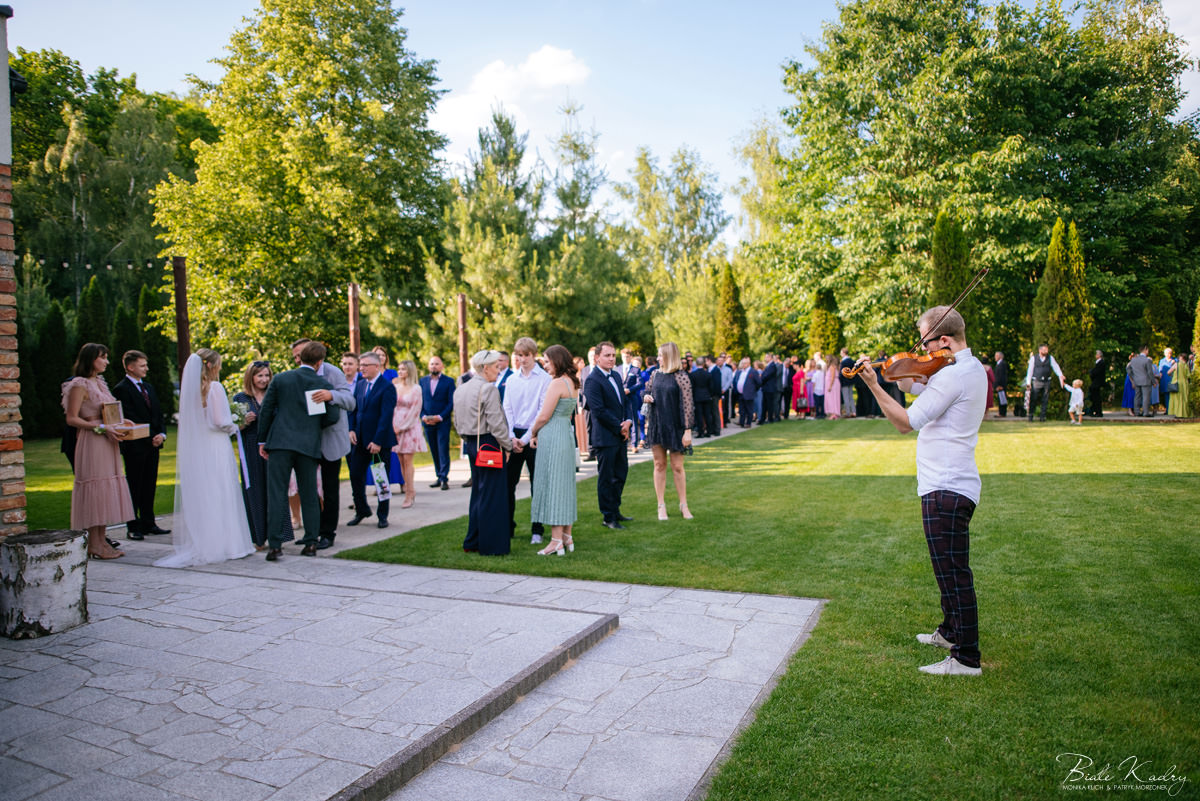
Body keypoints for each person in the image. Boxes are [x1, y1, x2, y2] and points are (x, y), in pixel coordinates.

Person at [856, 306, 986, 676]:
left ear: (944, 340)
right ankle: (949, 632)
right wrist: (901, 371)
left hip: (945, 485)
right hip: (953, 483)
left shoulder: (951, 377)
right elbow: (914, 385)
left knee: (953, 573)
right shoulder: (968, 368)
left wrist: (874, 385)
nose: (923, 349)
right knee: (946, 569)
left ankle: (966, 658)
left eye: (925, 342)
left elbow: (905, 422)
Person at [155, 348, 256, 567]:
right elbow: (220, 421)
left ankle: (207, 543)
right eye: (218, 364)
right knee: (222, 490)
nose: (219, 368)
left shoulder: (191, 391)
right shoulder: (215, 387)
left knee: (206, 493)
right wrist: (238, 423)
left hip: (200, 446)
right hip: (216, 444)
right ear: (210, 365)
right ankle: (229, 545)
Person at [257, 341, 340, 560]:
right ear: (319, 362)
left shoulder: (281, 379)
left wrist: (262, 440)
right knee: (309, 493)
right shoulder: (321, 383)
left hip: (280, 443)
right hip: (308, 445)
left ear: (300, 358)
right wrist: (313, 426)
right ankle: (311, 543)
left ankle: (275, 546)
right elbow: (333, 417)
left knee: (276, 493)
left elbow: (266, 410)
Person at [62, 343, 135, 560]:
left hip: (108, 439)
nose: (107, 362)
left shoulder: (100, 382)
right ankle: (93, 543)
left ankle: (101, 541)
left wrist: (122, 421)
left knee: (105, 489)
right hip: (92, 440)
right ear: (91, 359)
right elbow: (72, 418)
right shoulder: (79, 384)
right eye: (102, 357)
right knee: (96, 488)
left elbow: (107, 411)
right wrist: (100, 428)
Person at [292, 338, 357, 550]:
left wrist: (331, 395)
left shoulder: (333, 372)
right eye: (296, 357)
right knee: (308, 489)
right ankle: (312, 532)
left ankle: (328, 533)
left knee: (329, 489)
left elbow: (350, 401)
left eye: (300, 355)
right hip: (306, 441)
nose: (298, 360)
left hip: (330, 439)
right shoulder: (296, 375)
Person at [453, 349, 513, 555]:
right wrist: (507, 446)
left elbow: (457, 422)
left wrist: (467, 440)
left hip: (471, 443)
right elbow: (496, 423)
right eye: (496, 366)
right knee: (493, 495)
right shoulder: (488, 389)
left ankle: (473, 540)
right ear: (485, 368)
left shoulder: (461, 388)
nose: (499, 370)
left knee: (478, 493)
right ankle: (492, 546)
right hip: (489, 444)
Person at [233, 361, 293, 549]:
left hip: (273, 446)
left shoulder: (275, 395)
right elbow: (232, 428)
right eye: (260, 376)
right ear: (251, 377)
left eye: (267, 375)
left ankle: (279, 535)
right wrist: (243, 422)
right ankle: (258, 537)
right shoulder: (240, 398)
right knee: (255, 490)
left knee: (276, 490)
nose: (264, 379)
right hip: (250, 448)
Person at [111, 349, 169, 540]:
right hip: (135, 446)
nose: (146, 368)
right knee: (134, 485)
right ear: (130, 367)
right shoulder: (121, 389)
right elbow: (129, 417)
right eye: (142, 365)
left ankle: (148, 522)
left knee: (149, 484)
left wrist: (161, 434)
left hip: (153, 445)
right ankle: (133, 525)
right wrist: (151, 436)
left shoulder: (149, 388)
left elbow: (157, 414)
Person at [528, 345, 580, 556]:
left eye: (547, 361)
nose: (545, 365)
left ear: (557, 361)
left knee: (553, 486)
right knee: (565, 485)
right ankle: (567, 536)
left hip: (552, 435)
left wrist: (533, 433)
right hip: (565, 433)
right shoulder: (573, 382)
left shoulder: (557, 383)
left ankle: (555, 541)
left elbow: (544, 416)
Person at [502, 337, 552, 544]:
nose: (522, 359)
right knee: (507, 484)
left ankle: (537, 530)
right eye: (519, 355)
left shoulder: (544, 379)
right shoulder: (512, 379)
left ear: (534, 355)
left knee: (537, 485)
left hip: (535, 434)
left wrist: (525, 438)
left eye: (526, 355)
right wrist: (511, 436)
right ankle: (507, 527)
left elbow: (542, 411)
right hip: (513, 434)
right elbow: (507, 408)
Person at [643, 342, 695, 521]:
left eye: (660, 355)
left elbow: (688, 405)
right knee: (659, 465)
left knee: (677, 467)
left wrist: (687, 430)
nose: (657, 358)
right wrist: (646, 396)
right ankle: (661, 505)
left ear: (669, 356)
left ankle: (683, 505)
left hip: (676, 427)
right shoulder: (655, 374)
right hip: (657, 425)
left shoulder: (681, 376)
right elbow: (647, 390)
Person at [584, 341, 633, 529]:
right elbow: (598, 411)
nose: (612, 359)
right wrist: (620, 427)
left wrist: (627, 421)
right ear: (597, 358)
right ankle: (608, 517)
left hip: (620, 435)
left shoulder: (616, 375)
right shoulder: (592, 380)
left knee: (620, 474)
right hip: (605, 437)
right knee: (606, 478)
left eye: (613, 355)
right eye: (607, 355)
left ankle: (615, 510)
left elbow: (624, 403)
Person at [348, 351, 398, 529]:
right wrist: (351, 429)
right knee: (355, 475)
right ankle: (361, 510)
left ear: (377, 366)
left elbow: (386, 417)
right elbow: (354, 410)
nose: (361, 369)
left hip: (379, 441)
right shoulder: (361, 384)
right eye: (360, 365)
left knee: (381, 479)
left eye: (365, 365)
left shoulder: (387, 387)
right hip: (360, 439)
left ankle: (382, 515)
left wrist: (377, 441)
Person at [392, 359, 425, 509]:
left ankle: (409, 493)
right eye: (399, 369)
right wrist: (393, 425)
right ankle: (407, 487)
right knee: (400, 460)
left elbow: (415, 411)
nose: (400, 372)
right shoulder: (396, 387)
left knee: (407, 460)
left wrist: (402, 427)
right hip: (395, 424)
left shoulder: (416, 389)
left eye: (403, 369)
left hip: (409, 427)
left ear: (410, 371)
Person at [420, 355, 455, 490]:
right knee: (434, 449)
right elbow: (419, 401)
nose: (434, 366)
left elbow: (451, 402)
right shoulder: (422, 381)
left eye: (436, 364)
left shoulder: (449, 381)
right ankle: (438, 476)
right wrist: (423, 416)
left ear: (442, 366)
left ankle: (444, 478)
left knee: (442, 449)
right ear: (428, 366)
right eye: (432, 364)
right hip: (427, 422)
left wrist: (440, 417)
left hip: (442, 422)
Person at [1023, 343, 1066, 421]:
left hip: (1047, 381)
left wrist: (1060, 375)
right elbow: (1030, 370)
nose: (1046, 351)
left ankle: (1042, 417)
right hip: (1036, 381)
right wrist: (1028, 382)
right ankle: (1031, 415)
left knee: (1045, 399)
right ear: (1040, 350)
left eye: (1046, 350)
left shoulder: (1050, 358)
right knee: (1034, 399)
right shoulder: (1034, 358)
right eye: (1044, 350)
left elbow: (1056, 367)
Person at [1128, 345, 1157, 417]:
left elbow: (1128, 369)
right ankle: (1145, 412)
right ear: (1145, 349)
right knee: (1146, 397)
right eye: (1148, 350)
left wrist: (1133, 377)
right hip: (1146, 381)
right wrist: (1153, 382)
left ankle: (1137, 412)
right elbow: (1150, 372)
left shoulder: (1133, 360)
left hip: (1137, 380)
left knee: (1137, 397)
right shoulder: (1147, 360)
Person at [736, 357, 761, 427]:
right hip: (740, 393)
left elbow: (759, 383)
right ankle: (741, 422)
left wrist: (753, 390)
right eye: (742, 363)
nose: (743, 365)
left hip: (749, 393)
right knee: (742, 409)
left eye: (744, 363)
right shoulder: (741, 371)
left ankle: (748, 423)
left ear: (748, 364)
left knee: (749, 409)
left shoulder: (753, 371)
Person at [1088, 350, 1106, 417]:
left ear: (1099, 355)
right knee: (1094, 397)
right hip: (1094, 382)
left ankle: (1098, 412)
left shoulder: (1101, 363)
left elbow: (1096, 372)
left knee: (1096, 398)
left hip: (1097, 382)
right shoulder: (1097, 362)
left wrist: (1090, 372)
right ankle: (1093, 410)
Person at [1158, 348, 1176, 415]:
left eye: (1170, 353)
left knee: (1173, 395)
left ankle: (1173, 410)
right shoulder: (1162, 361)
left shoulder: (1175, 360)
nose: (1168, 354)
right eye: (1167, 353)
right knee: (1166, 396)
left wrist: (1174, 363)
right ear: (1164, 354)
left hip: (1172, 380)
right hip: (1164, 380)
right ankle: (1168, 410)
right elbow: (1160, 371)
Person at [839, 348, 856, 416]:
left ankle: (848, 412)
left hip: (844, 381)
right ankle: (854, 412)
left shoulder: (843, 362)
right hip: (851, 380)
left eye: (841, 352)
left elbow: (841, 373)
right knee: (851, 397)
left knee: (846, 397)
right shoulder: (852, 361)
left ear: (843, 353)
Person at [993, 352, 1009, 417]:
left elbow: (1002, 376)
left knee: (1002, 399)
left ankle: (1002, 413)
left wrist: (1000, 385)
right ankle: (1001, 412)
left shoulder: (1002, 364)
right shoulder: (998, 364)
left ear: (1000, 356)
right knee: (1000, 399)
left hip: (1001, 385)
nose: (995, 357)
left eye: (996, 356)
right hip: (999, 384)